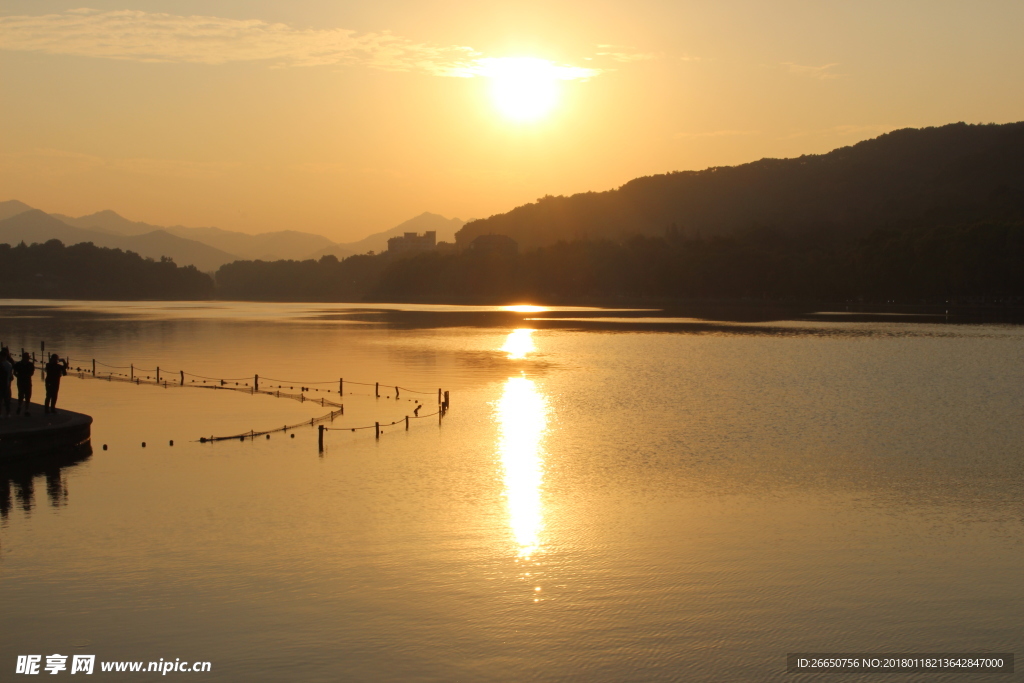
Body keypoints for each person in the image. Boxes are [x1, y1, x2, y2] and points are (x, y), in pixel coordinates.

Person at [13, 351, 35, 417]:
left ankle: (26, 410)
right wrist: (18, 376)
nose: (28, 359)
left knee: (28, 396)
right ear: (23, 357)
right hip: (21, 381)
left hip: (28, 381)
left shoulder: (30, 364)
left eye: (28, 357)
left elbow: (32, 373)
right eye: (27, 357)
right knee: (21, 395)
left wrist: (27, 375)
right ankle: (19, 406)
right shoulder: (18, 364)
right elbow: (14, 372)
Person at [0, 348, 12, 418]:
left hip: (5, 383)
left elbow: (9, 375)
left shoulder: (8, 364)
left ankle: (8, 413)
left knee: (6, 400)